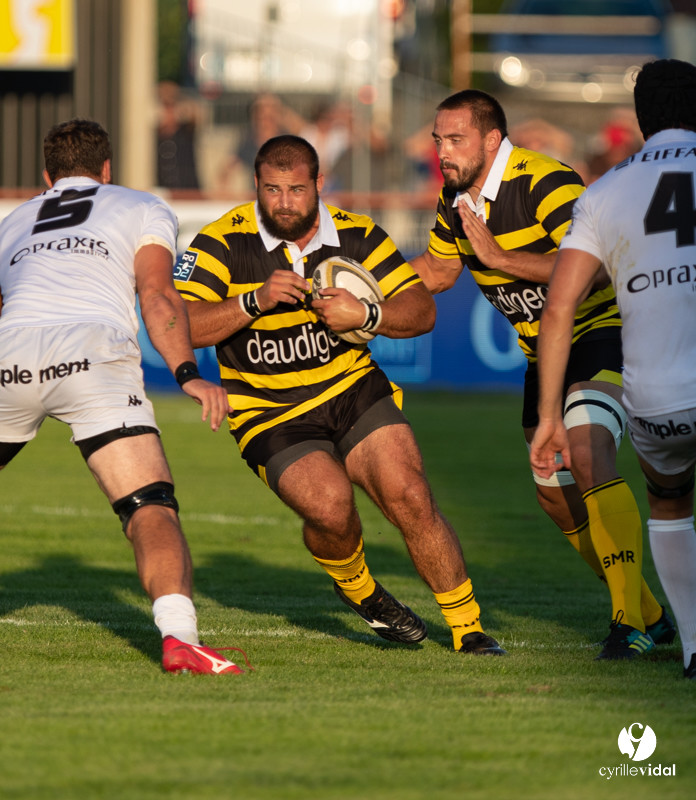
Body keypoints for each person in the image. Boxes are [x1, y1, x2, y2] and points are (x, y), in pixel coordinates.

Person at [0, 119, 247, 675]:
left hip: (11, 357)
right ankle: (178, 639)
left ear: (46, 176)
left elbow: (4, 312)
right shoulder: (140, 206)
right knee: (148, 505)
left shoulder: (11, 222)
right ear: (107, 171)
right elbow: (157, 294)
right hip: (93, 355)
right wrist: (186, 372)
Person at [176, 134, 504, 656]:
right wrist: (251, 302)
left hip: (353, 390)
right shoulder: (222, 241)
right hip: (269, 412)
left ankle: (469, 630)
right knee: (331, 508)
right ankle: (360, 589)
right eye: (272, 190)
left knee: (411, 495)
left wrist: (367, 314)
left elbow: (421, 310)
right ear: (256, 186)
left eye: (297, 190)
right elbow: (180, 322)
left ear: (319, 185)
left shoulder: (358, 235)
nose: (284, 202)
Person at [409, 89, 674, 660]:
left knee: (585, 447)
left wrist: (502, 258)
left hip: (606, 331)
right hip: (544, 351)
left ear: (491, 140)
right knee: (554, 493)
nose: (443, 152)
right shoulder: (452, 200)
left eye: (454, 140)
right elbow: (435, 270)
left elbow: (599, 270)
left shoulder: (548, 182)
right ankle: (650, 612)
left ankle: (628, 622)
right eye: (437, 140)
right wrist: (361, 280)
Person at [531, 59, 696, 679]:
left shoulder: (603, 191)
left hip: (655, 398)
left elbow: (560, 306)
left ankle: (692, 648)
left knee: (670, 504)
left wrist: (550, 416)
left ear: (640, 118)